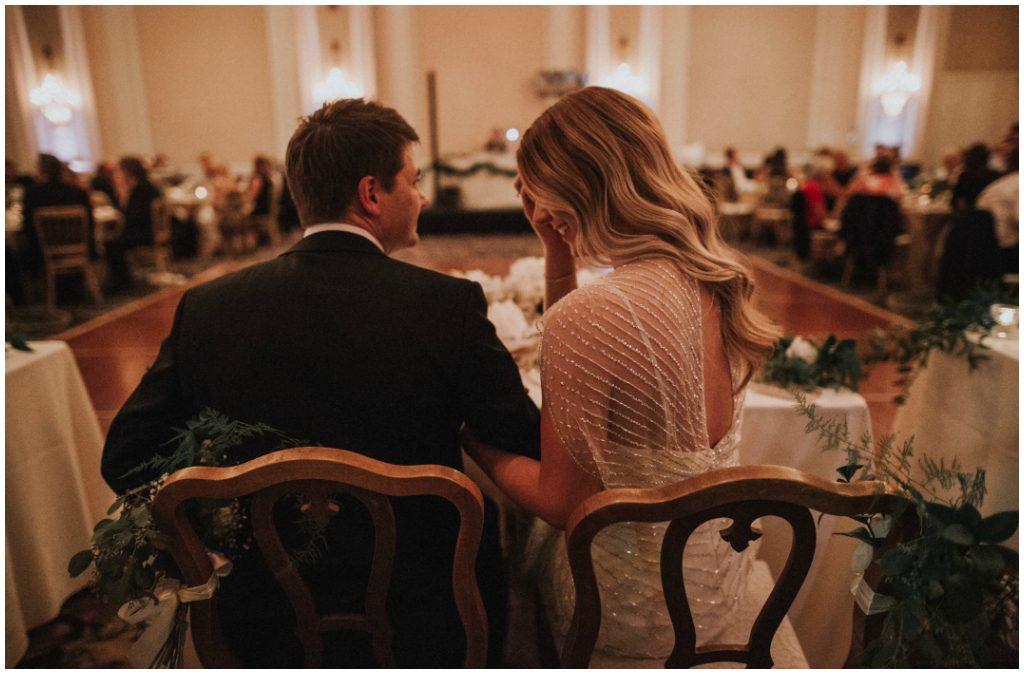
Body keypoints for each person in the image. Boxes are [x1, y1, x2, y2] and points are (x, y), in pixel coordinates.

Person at [100, 98, 540, 667]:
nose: (424, 196)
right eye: (414, 179)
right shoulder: (446, 306)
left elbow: (127, 461)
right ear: (371, 194)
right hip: (426, 605)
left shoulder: (208, 309)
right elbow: (523, 435)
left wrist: (222, 502)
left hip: (263, 608)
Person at [461, 87, 805, 665]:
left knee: (521, 539)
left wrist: (474, 441)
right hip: (715, 589)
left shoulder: (594, 313)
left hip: (627, 610)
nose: (540, 209)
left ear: (571, 191)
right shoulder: (717, 279)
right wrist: (557, 251)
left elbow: (562, 501)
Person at [13, 153, 97, 303]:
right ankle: (74, 284)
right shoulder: (78, 193)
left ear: (41, 171)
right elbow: (90, 223)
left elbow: (27, 228)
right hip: (81, 248)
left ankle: (25, 300)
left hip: (44, 252)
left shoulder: (33, 194)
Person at [104, 156, 161, 289]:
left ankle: (122, 282)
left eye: (119, 171)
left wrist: (122, 195)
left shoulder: (140, 189)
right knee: (114, 239)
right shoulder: (146, 185)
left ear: (128, 172)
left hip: (144, 233)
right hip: (149, 230)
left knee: (111, 244)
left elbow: (133, 217)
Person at [952, 143, 1000, 212]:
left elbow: (956, 201)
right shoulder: (995, 175)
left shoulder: (965, 176)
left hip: (969, 216)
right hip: (991, 214)